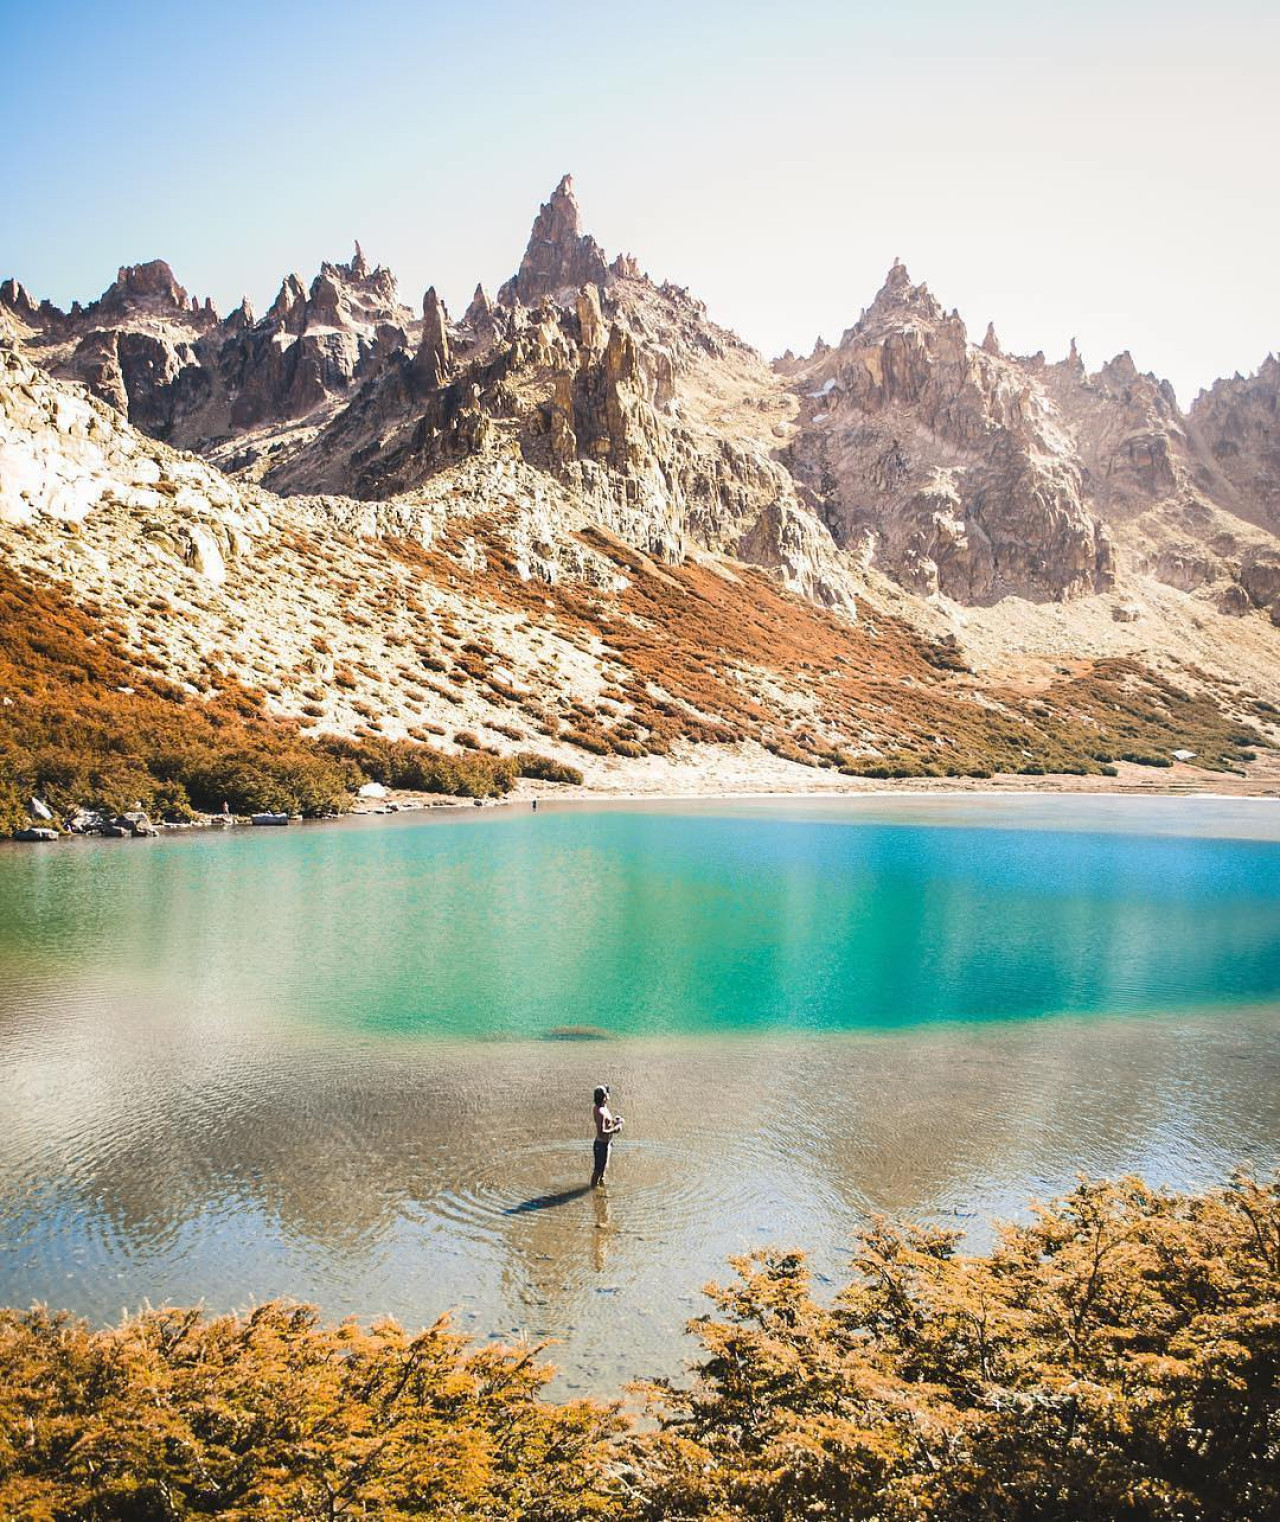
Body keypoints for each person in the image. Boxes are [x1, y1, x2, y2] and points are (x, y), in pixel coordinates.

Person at [591, 1084, 623, 1187]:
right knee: (598, 1170)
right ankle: (593, 1190)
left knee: (604, 1168)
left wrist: (615, 1121)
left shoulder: (603, 1108)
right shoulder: (600, 1111)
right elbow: (601, 1131)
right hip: (601, 1145)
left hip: (606, 1143)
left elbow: (607, 1123)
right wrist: (616, 1129)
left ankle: (601, 1185)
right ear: (604, 1097)